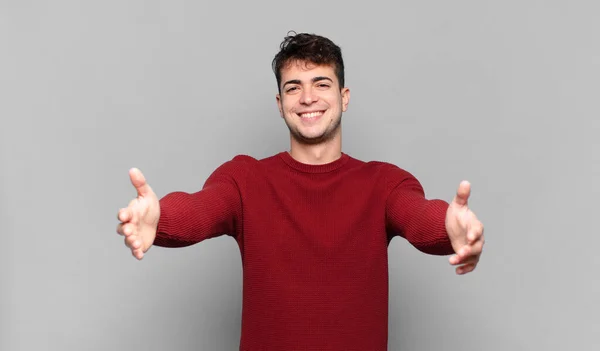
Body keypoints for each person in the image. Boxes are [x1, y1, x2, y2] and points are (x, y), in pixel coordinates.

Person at [116, 31, 485, 351]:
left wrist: (450, 229)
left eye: (321, 84)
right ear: (280, 105)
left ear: (344, 97)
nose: (308, 98)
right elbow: (201, 210)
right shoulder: (245, 179)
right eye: (294, 88)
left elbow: (418, 215)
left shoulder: (385, 184)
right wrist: (160, 217)